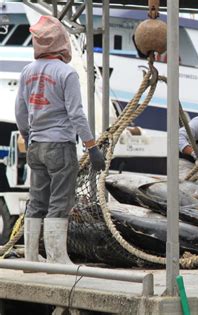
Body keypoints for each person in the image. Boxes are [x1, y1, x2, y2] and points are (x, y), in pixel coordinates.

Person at [15, 16, 105, 265]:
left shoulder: (27, 72)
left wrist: (28, 137)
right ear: (61, 42)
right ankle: (57, 258)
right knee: (60, 202)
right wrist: (92, 148)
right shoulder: (67, 73)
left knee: (36, 202)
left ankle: (32, 258)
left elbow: (21, 112)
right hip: (60, 146)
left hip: (36, 146)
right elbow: (76, 114)